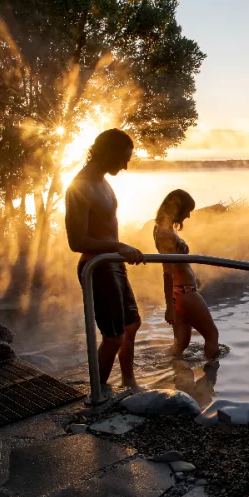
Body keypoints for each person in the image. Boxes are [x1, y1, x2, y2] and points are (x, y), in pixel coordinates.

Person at [65, 128, 145, 394]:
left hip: (113, 263)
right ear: (108, 151)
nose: (125, 165)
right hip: (97, 268)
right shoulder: (81, 185)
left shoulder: (102, 181)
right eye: (123, 158)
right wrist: (119, 246)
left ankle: (128, 382)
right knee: (113, 337)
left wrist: (118, 251)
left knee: (131, 325)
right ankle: (97, 393)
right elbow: (77, 241)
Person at [153, 189, 221, 360]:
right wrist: (169, 307)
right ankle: (211, 379)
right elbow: (167, 272)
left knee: (181, 343)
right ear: (178, 209)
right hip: (185, 292)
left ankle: (173, 376)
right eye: (187, 211)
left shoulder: (163, 229)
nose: (189, 216)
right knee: (212, 335)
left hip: (180, 293)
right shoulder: (165, 234)